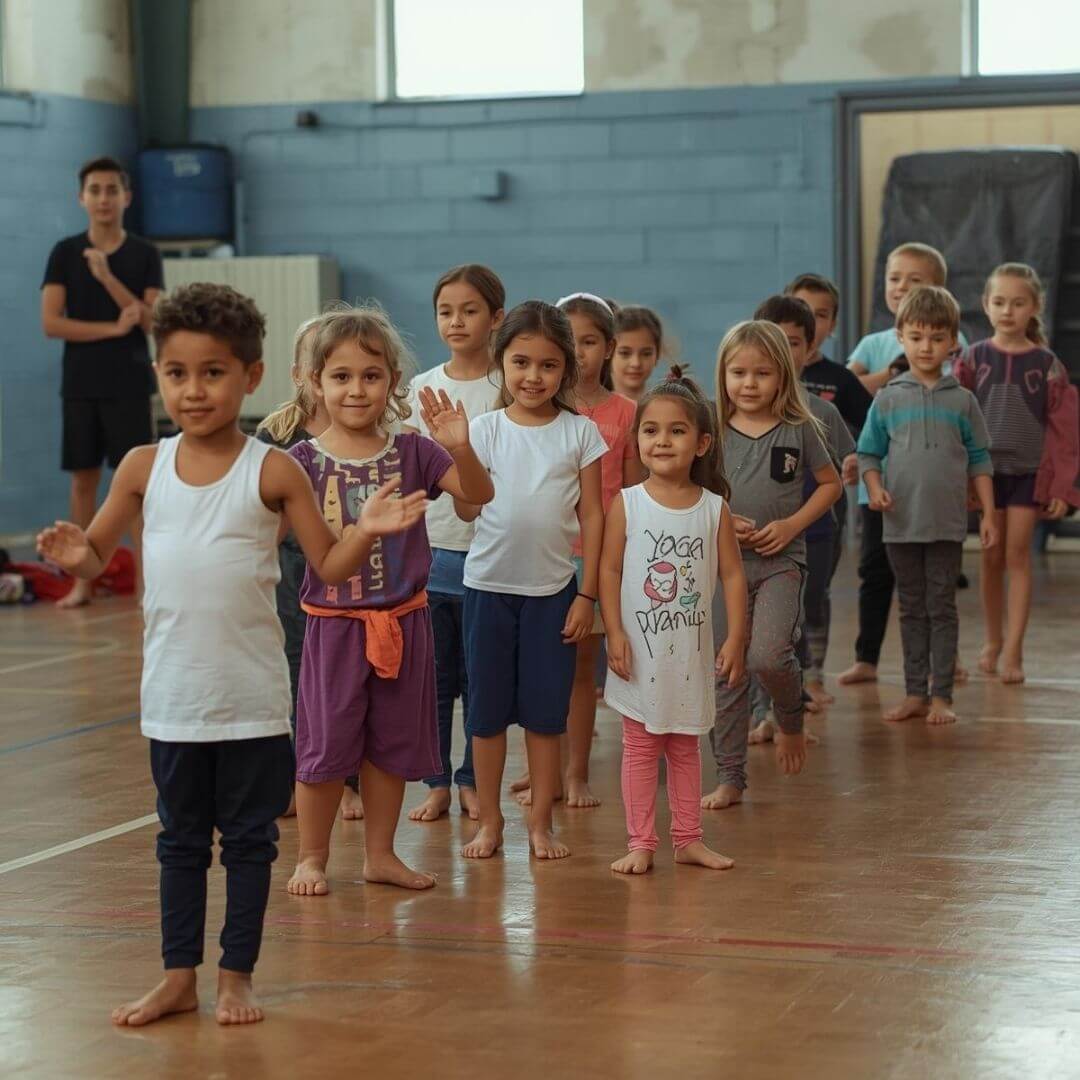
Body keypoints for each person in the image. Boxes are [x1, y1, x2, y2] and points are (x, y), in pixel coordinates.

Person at [37, 282, 429, 1027]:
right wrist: (71, 559)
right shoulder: (141, 467)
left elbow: (330, 567)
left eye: (213, 372)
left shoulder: (274, 470)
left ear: (250, 376)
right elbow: (95, 558)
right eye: (177, 372)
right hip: (174, 701)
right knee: (179, 844)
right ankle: (177, 976)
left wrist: (369, 528)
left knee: (250, 846)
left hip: (251, 702)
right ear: (158, 374)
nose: (193, 390)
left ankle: (236, 976)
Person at [285, 308, 494, 897]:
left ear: (393, 382)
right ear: (315, 382)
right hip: (334, 629)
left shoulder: (416, 454)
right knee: (326, 744)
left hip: (405, 623)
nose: (357, 389)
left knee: (391, 743)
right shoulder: (299, 464)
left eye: (371, 376)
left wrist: (461, 447)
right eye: (342, 376)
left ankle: (381, 855)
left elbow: (477, 499)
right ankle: (312, 857)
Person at [456, 301, 606, 860]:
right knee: (488, 715)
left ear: (565, 369)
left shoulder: (580, 434)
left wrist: (586, 594)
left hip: (553, 595)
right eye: (521, 363)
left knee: (546, 718)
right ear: (502, 362)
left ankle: (541, 822)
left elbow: (594, 516)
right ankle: (490, 822)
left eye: (547, 365)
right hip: (488, 591)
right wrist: (456, 450)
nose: (533, 377)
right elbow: (470, 512)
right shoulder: (484, 430)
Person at [601, 367, 746, 874]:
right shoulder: (628, 504)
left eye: (677, 430)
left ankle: (689, 839)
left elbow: (731, 575)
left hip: (688, 657)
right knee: (640, 749)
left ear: (702, 442)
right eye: (650, 430)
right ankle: (641, 841)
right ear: (637, 438)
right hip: (638, 657)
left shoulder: (714, 509)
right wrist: (614, 631)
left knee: (685, 748)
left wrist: (737, 638)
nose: (662, 440)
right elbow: (610, 568)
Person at [704, 320, 841, 810]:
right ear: (722, 376)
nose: (749, 383)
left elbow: (831, 484)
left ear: (782, 376)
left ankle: (789, 715)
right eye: (738, 372)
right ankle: (730, 776)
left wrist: (791, 526)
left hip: (781, 561)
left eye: (762, 373)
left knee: (767, 655)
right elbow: (693, 491)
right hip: (723, 568)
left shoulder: (799, 429)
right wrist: (721, 517)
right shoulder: (711, 431)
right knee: (727, 667)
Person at [512, 292, 641, 810]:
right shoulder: (540, 411)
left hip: (597, 558)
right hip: (543, 554)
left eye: (589, 341)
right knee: (541, 668)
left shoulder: (626, 413)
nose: (580, 352)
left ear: (609, 348)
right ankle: (539, 769)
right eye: (572, 341)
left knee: (581, 673)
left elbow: (632, 496)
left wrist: (619, 556)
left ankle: (577, 771)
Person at [858, 286, 997, 724]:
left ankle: (942, 697)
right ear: (900, 337)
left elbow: (979, 458)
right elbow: (867, 454)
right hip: (900, 523)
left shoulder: (963, 400)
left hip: (948, 523)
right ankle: (914, 692)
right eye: (916, 337)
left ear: (953, 342)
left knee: (942, 607)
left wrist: (989, 513)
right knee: (912, 607)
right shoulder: (887, 398)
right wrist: (875, 487)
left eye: (936, 338)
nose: (926, 346)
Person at [404, 265, 506, 824]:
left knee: (479, 678)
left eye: (469, 310)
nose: (456, 321)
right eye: (446, 310)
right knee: (435, 677)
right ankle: (437, 780)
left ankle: (472, 779)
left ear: (496, 318)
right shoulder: (421, 389)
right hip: (434, 553)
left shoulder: (509, 387)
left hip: (492, 554)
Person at [41, 156, 164, 608]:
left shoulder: (144, 254)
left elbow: (150, 320)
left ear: (126, 197)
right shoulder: (63, 252)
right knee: (84, 481)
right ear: (82, 198)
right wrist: (113, 328)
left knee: (136, 484)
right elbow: (52, 323)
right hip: (81, 382)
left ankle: (144, 587)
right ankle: (83, 581)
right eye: (95, 190)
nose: (104, 198)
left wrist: (107, 278)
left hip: (130, 380)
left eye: (112, 189)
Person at [840, 242, 962, 686]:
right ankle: (867, 657)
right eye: (895, 278)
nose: (902, 287)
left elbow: (957, 397)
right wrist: (891, 377)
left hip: (936, 488)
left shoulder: (952, 343)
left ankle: (946, 661)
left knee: (940, 581)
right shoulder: (875, 343)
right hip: (884, 485)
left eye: (916, 280)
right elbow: (847, 386)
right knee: (876, 569)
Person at [258, 315, 364, 820]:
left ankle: (348, 779)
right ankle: (304, 774)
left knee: (351, 676)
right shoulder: (277, 432)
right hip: (293, 570)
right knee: (300, 672)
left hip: (355, 570)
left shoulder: (364, 429)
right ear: (303, 373)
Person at [956, 263, 1080, 685]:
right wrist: (964, 480)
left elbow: (1065, 432)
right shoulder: (972, 359)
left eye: (1018, 302)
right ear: (986, 306)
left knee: (1017, 556)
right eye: (999, 302)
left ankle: (1014, 648)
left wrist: (1063, 486)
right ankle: (992, 639)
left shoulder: (1047, 365)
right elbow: (957, 421)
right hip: (987, 475)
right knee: (990, 558)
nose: (1008, 310)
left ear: (1035, 307)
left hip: (1029, 474)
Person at [752, 295, 855, 726]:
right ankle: (766, 709)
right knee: (765, 625)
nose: (782, 350)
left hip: (813, 535)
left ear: (808, 350)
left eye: (792, 342)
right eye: (772, 340)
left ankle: (800, 690)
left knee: (804, 609)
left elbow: (847, 463)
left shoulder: (823, 412)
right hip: (757, 541)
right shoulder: (738, 415)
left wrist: (855, 467)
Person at [612, 305, 664, 402]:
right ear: (608, 352)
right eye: (625, 353)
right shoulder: (587, 406)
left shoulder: (666, 408)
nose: (636, 363)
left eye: (646, 354)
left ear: (657, 354)